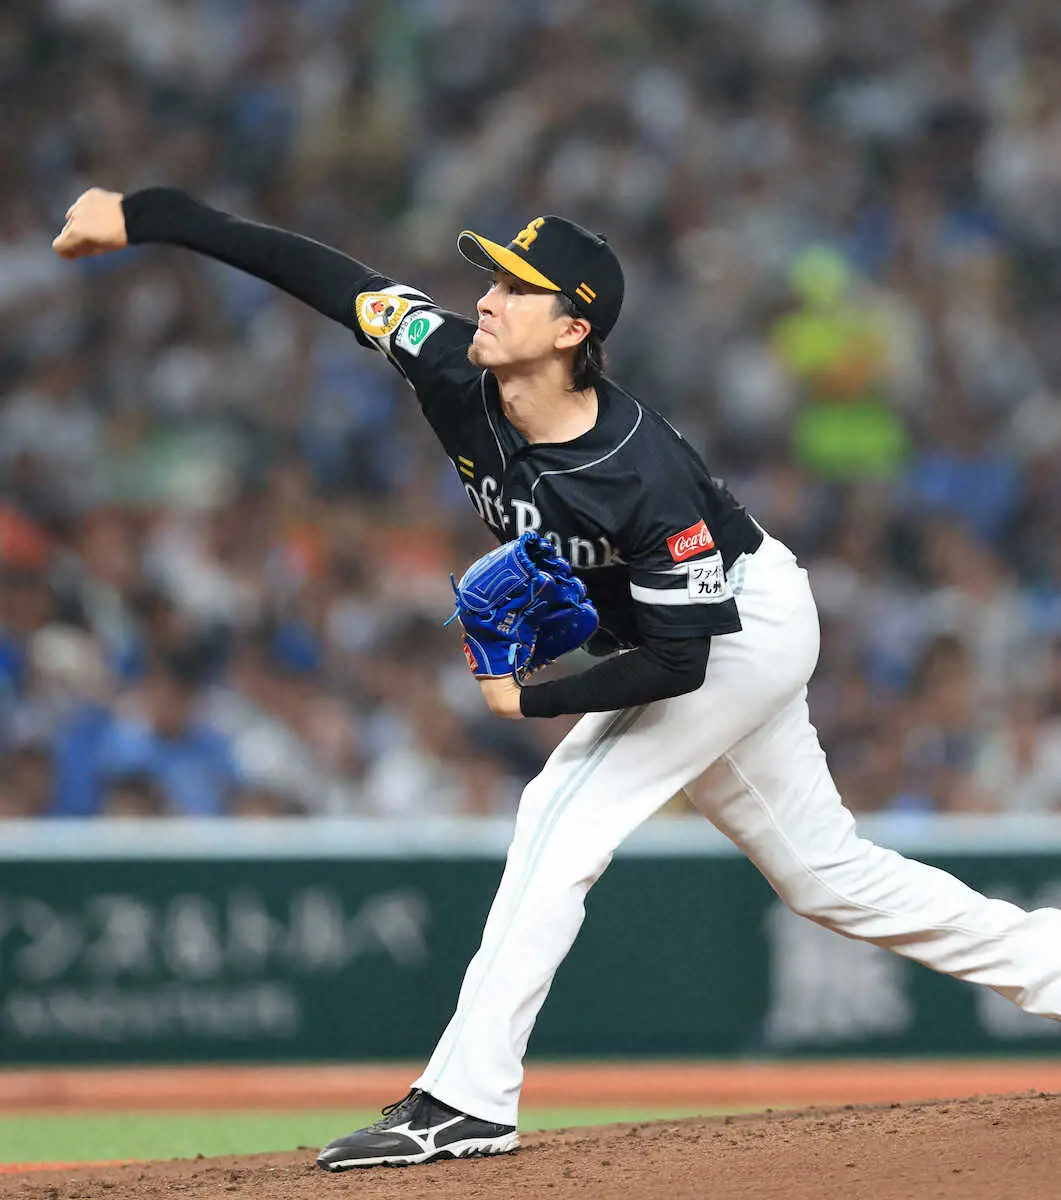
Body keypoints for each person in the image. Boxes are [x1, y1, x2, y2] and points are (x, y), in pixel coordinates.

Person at [55, 189, 1061, 1170]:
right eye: (490, 278)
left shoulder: (635, 469)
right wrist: (149, 215)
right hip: (692, 630)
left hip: (736, 625)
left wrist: (528, 701)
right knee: (823, 875)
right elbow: (319, 272)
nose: (485, 298)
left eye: (514, 288)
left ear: (572, 329)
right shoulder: (446, 361)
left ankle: (466, 1099)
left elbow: (681, 660)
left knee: (560, 809)